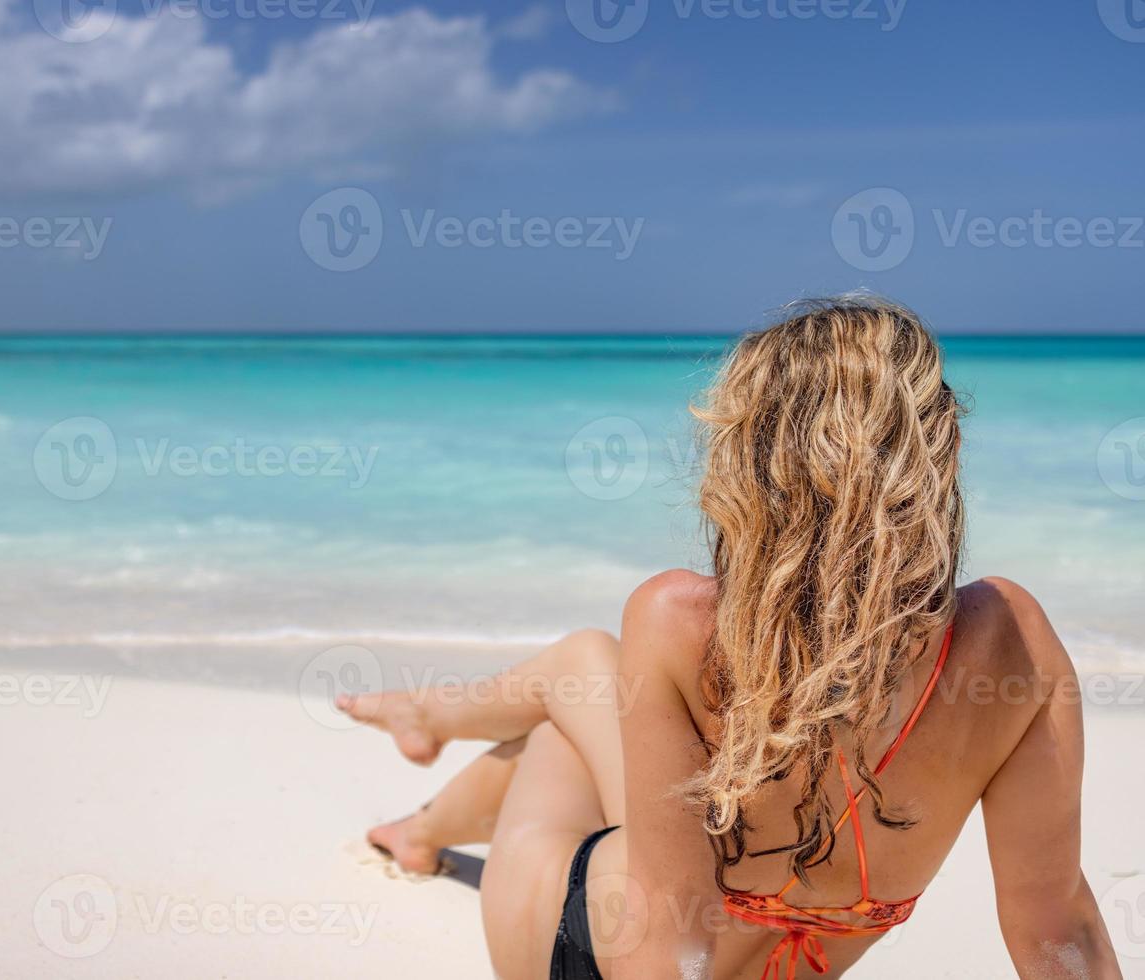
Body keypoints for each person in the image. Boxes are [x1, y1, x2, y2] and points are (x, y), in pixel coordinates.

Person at [338, 298, 1122, 979]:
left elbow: (673, 938)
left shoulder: (679, 622)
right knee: (589, 680)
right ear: (937, 451)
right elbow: (1058, 932)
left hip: (574, 950)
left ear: (749, 464)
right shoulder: (1013, 642)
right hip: (649, 930)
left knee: (581, 670)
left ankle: (427, 777)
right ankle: (424, 803)